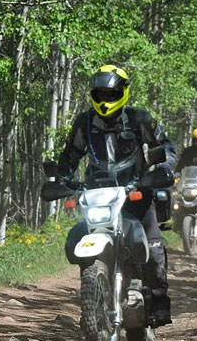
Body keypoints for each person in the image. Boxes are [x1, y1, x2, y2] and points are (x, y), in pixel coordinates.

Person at [56, 64, 177, 326]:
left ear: (122, 92)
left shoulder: (139, 118)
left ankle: (157, 303)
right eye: (100, 94)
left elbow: (165, 146)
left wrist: (162, 168)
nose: (105, 99)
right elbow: (70, 154)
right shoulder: (85, 122)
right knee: (77, 238)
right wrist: (62, 179)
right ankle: (93, 299)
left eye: (111, 94)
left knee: (153, 252)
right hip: (99, 196)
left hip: (137, 196)